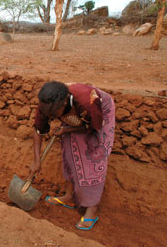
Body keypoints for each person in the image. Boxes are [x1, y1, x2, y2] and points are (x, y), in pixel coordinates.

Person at [31, 81, 115, 230]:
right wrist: (36, 161)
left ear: (64, 104)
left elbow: (95, 125)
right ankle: (69, 197)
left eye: (54, 115)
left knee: (93, 158)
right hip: (74, 118)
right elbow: (39, 129)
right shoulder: (47, 104)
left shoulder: (86, 101)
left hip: (98, 116)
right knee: (70, 152)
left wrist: (67, 130)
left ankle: (92, 209)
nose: (50, 117)